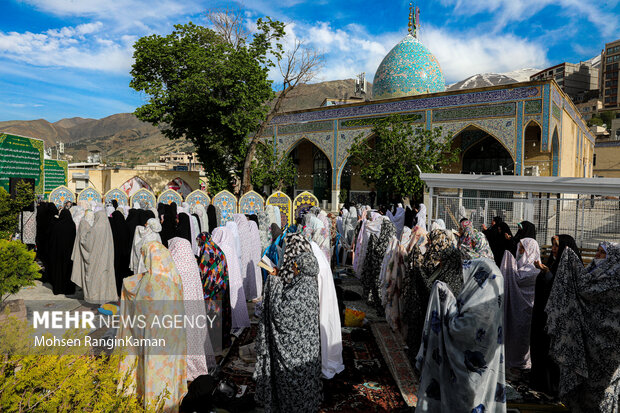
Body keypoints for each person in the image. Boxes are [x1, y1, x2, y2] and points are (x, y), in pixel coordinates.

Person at [415, 258, 506, 412]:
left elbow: (458, 330)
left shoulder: (482, 310)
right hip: (478, 375)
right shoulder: (485, 297)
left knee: (466, 400)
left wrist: (445, 299)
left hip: (468, 377)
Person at [545, 242, 620, 412]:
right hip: (587, 346)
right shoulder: (590, 274)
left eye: (603, 253)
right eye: (597, 251)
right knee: (585, 393)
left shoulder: (615, 280)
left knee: (603, 394)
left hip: (609, 350)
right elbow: (581, 289)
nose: (598, 256)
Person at [254, 233, 322, 412]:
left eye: (297, 266)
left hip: (296, 354)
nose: (294, 268)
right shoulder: (308, 283)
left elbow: (282, 313)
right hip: (307, 349)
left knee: (295, 384)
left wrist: (274, 280)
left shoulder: (302, 287)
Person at [117, 241, 187, 412]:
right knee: (170, 370)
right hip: (174, 338)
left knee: (155, 370)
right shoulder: (174, 277)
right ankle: (172, 399)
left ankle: (154, 403)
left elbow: (135, 297)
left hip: (154, 339)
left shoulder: (148, 283)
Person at [530, 234, 582, 396]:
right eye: (552, 245)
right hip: (544, 316)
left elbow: (563, 290)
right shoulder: (553, 263)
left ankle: (554, 387)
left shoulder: (572, 267)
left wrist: (547, 273)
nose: (553, 249)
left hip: (559, 322)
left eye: (556, 246)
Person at [168, 237, 214, 380]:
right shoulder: (191, 262)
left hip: (180, 310)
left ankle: (185, 368)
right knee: (194, 337)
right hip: (194, 309)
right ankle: (197, 365)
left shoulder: (173, 266)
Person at [500, 237, 540, 371]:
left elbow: (519, 278)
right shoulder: (516, 267)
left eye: (524, 248)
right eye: (520, 248)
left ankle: (521, 363)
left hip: (526, 309)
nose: (521, 251)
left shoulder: (534, 270)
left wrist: (509, 265)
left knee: (523, 336)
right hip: (514, 308)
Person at [71, 209, 118, 304]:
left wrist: (84, 225)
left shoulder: (96, 227)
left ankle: (93, 297)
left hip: (95, 260)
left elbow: (86, 242)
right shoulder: (107, 227)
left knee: (95, 279)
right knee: (104, 278)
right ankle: (105, 297)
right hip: (105, 259)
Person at [47, 207, 77, 295]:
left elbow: (52, 240)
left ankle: (58, 289)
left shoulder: (57, 225)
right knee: (68, 271)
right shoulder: (72, 225)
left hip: (58, 253)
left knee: (58, 270)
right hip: (69, 253)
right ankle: (68, 290)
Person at [109, 210, 131, 295]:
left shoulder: (113, 227)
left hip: (115, 253)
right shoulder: (126, 226)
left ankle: (116, 289)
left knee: (116, 272)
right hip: (125, 253)